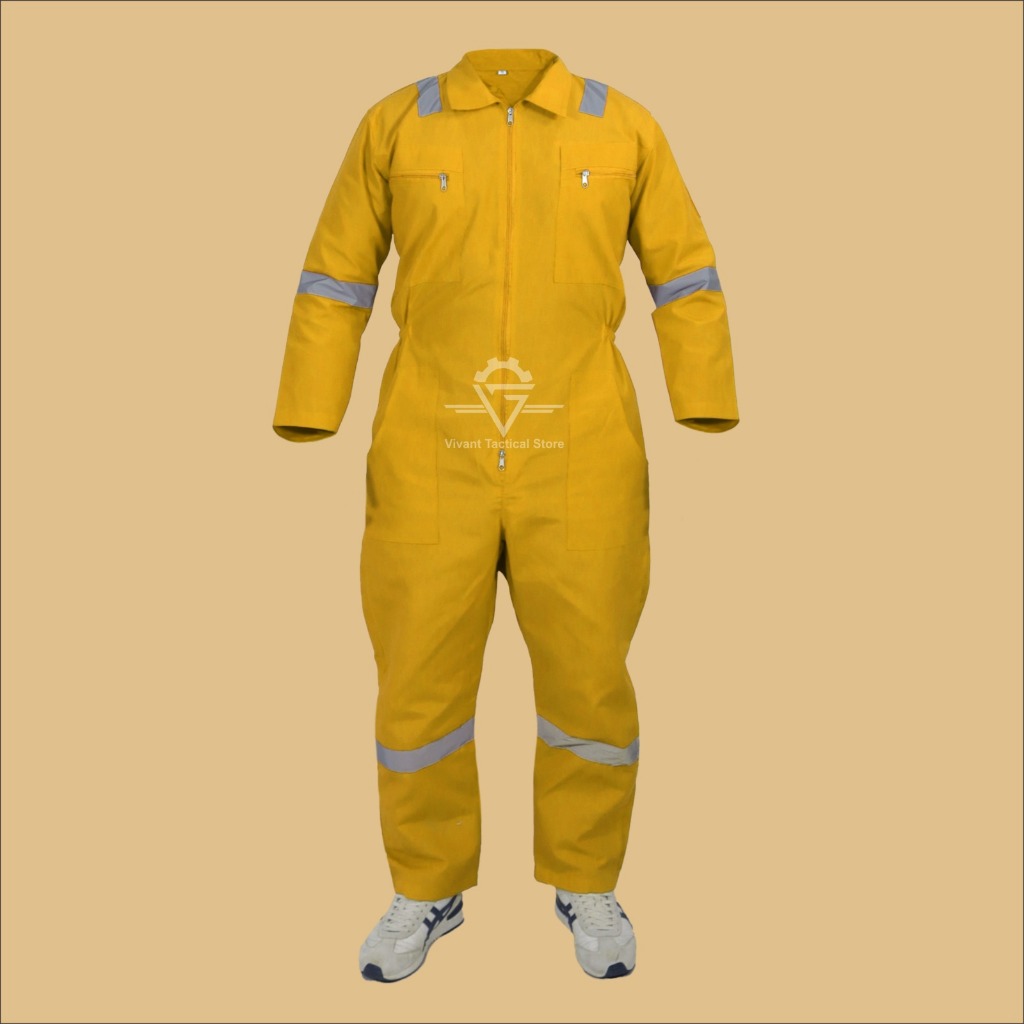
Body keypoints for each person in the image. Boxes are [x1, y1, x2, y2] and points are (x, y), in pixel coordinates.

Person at [272, 48, 739, 983]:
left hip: (583, 448)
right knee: (417, 681)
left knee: (590, 682)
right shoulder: (398, 124)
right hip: (429, 446)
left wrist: (705, 394)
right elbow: (336, 272)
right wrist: (311, 402)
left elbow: (685, 271)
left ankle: (588, 881)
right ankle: (425, 886)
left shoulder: (623, 126)